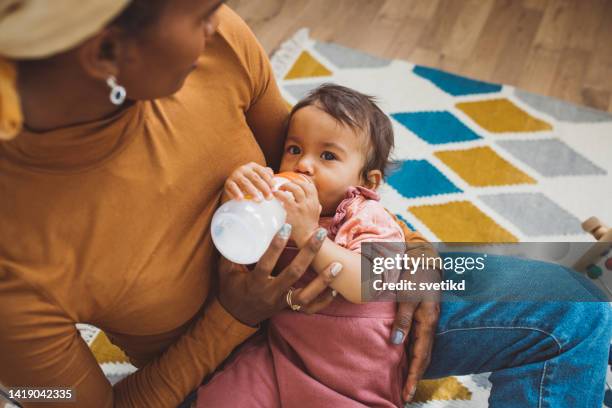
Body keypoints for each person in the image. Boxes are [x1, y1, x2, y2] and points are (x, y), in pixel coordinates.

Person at [0, 2, 609, 408]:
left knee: (573, 301)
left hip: (351, 309)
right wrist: (230, 318)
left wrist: (415, 259)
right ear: (106, 54)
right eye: (201, 11)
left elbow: (330, 172)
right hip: (231, 373)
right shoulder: (15, 258)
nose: (220, 18)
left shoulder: (214, 52)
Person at [197, 84, 427, 407]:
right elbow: (245, 260)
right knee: (222, 398)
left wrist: (310, 236)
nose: (303, 165)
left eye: (328, 156)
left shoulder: (368, 216)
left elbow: (368, 283)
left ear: (367, 182)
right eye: (294, 149)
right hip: (283, 358)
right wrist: (237, 199)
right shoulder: (277, 209)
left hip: (352, 381)